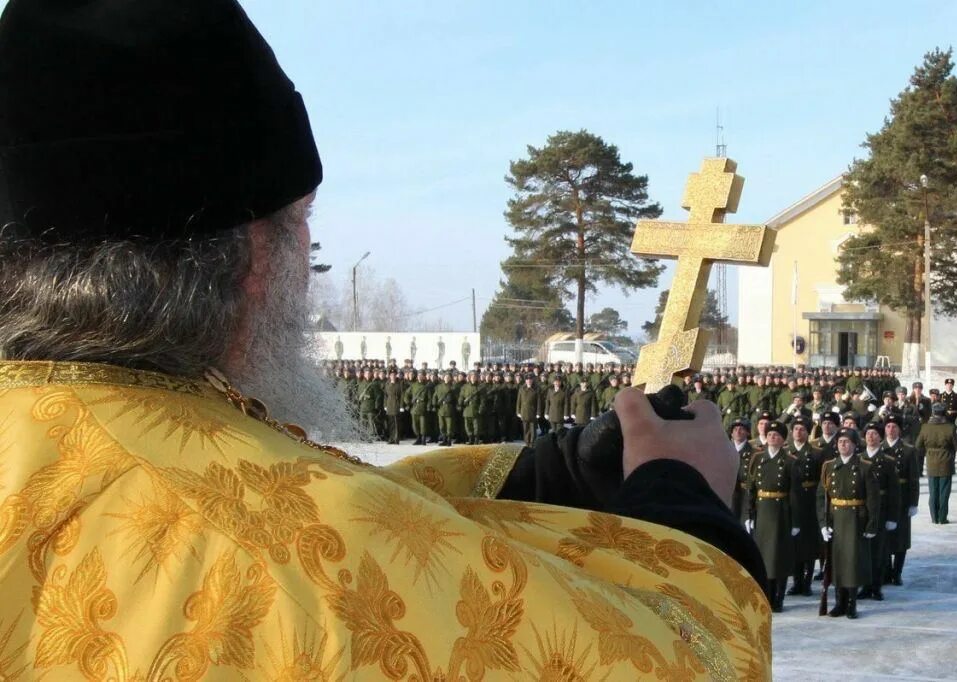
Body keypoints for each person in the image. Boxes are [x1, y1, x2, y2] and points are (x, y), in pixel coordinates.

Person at [0, 2, 772, 678]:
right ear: (257, 261)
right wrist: (685, 507)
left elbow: (281, 493)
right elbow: (679, 660)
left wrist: (546, 473)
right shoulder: (314, 563)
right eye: (301, 222)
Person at [817, 429, 882, 619]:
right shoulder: (829, 466)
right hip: (835, 519)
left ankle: (852, 603)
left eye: (846, 441)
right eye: (840, 442)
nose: (843, 445)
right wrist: (823, 523)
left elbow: (873, 499)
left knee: (852, 562)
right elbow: (822, 497)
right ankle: (839, 602)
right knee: (836, 562)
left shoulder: (864, 467)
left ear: (854, 445)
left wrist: (871, 524)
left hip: (855, 520)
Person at [746, 421, 799, 612]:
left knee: (779, 557)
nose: (772, 438)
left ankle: (779, 596)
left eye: (776, 435)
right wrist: (749, 513)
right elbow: (751, 488)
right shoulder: (758, 458)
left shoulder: (790, 461)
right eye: (769, 435)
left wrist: (796, 521)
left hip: (780, 512)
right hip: (762, 511)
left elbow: (795, 493)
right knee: (763, 556)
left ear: (783, 439)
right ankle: (765, 594)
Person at [857, 422, 899, 601]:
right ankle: (864, 585)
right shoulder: (858, 458)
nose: (871, 437)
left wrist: (892, 517)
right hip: (861, 509)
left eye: (874, 434)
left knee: (878, 550)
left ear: (880, 437)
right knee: (863, 550)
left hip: (881, 510)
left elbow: (894, 491)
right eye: (868, 434)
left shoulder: (888, 461)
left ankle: (876, 586)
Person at [787, 416, 823, 597]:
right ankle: (796, 582)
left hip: (810, 501)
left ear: (808, 432)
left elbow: (822, 481)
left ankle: (807, 582)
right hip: (792, 501)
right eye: (795, 429)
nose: (798, 432)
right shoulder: (786, 452)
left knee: (808, 544)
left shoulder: (816, 453)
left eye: (802, 429)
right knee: (794, 544)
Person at [883, 415, 919, 585]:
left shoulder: (908, 450)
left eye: (894, 427)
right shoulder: (879, 448)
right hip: (884, 498)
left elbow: (913, 479)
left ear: (899, 430)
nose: (891, 429)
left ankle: (897, 572)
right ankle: (885, 571)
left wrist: (913, 502)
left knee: (901, 538)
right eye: (888, 426)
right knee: (884, 537)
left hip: (902, 497)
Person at [915, 404, 957, 524]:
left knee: (933, 492)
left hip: (931, 461)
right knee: (944, 492)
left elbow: (918, 445)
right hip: (946, 462)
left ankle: (934, 517)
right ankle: (942, 517)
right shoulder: (950, 427)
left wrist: (927, 451)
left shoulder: (925, 427)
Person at [729, 418, 755, 522]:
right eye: (735, 429)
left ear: (748, 432)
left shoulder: (754, 453)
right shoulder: (724, 450)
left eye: (741, 429)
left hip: (745, 496)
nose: (738, 432)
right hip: (729, 495)